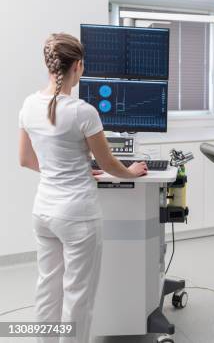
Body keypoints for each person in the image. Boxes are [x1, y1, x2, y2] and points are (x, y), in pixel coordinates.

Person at [18, 33, 148, 342]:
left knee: (47, 288)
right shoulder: (82, 111)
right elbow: (109, 164)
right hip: (77, 216)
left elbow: (25, 159)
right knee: (78, 296)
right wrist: (129, 171)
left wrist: (62, 169)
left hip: (44, 213)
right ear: (78, 66)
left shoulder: (28, 104)